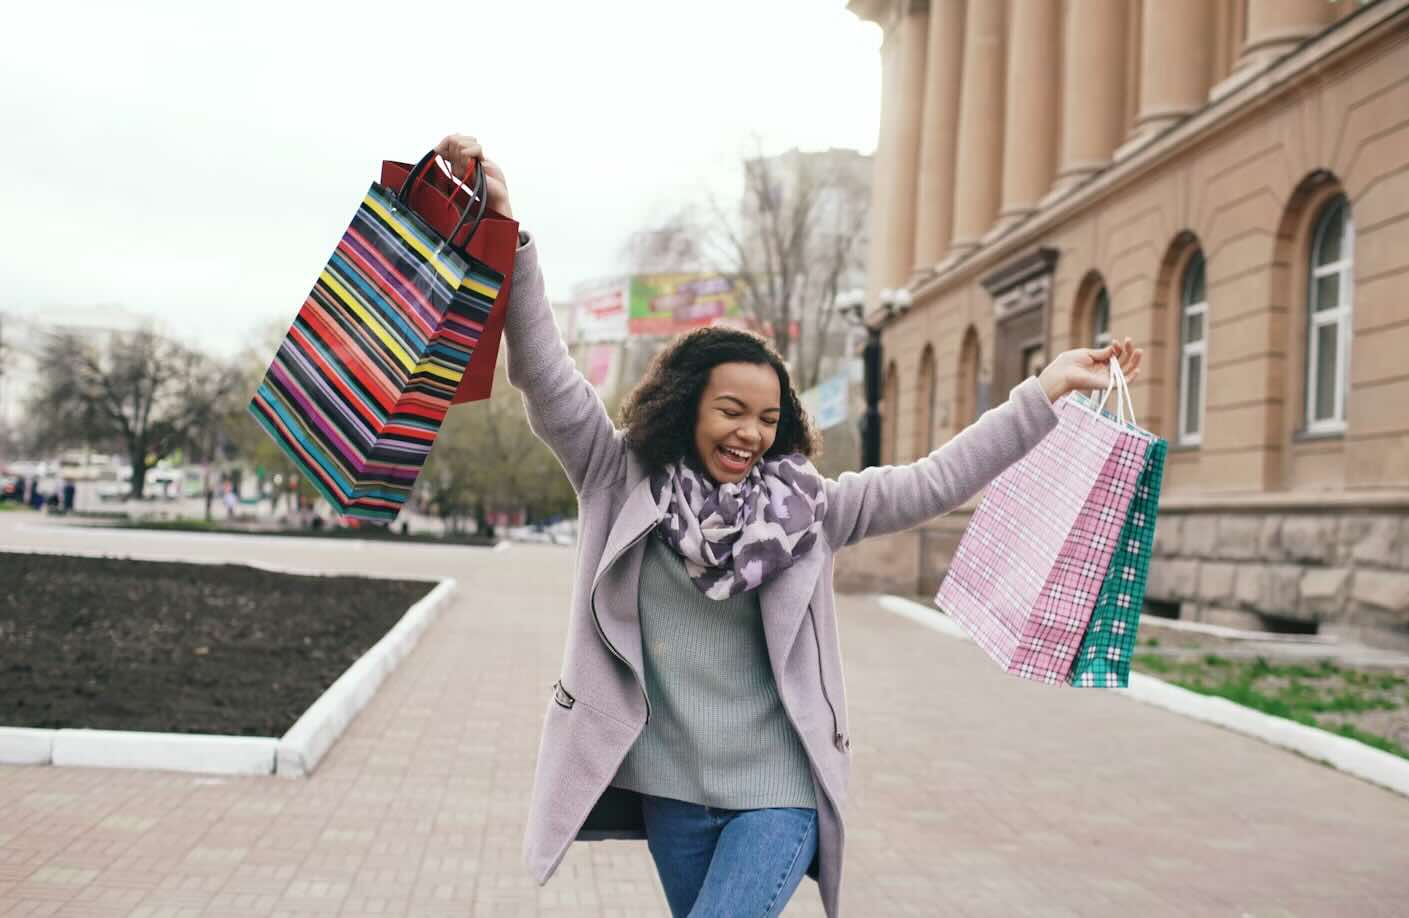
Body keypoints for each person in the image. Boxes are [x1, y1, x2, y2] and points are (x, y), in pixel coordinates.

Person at [434, 134, 1144, 918]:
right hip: (671, 793)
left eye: (768, 418)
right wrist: (512, 236)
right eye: (731, 411)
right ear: (686, 407)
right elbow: (543, 375)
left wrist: (1041, 393)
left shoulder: (808, 510)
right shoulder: (619, 479)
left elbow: (932, 482)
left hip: (779, 792)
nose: (750, 433)